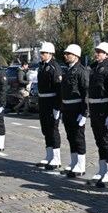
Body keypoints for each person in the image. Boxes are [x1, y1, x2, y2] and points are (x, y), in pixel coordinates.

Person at [87, 42, 108, 187]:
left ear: (107, 54)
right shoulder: (95, 68)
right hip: (95, 110)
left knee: (107, 142)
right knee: (99, 141)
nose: (97, 54)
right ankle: (102, 170)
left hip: (104, 110)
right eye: (96, 51)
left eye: (100, 52)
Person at [60, 45, 90, 177]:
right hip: (67, 108)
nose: (65, 56)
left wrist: (84, 113)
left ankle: (81, 165)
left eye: (68, 54)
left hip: (77, 108)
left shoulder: (81, 71)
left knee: (78, 137)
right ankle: (74, 162)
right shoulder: (68, 70)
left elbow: (85, 93)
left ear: (76, 56)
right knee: (70, 137)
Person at [36, 42, 63, 170]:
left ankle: (56, 158)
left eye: (44, 53)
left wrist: (57, 107)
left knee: (53, 130)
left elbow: (58, 89)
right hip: (43, 101)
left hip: (51, 101)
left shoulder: (54, 67)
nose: (41, 55)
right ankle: (49, 155)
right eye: (41, 53)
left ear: (50, 54)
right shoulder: (42, 66)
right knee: (45, 129)